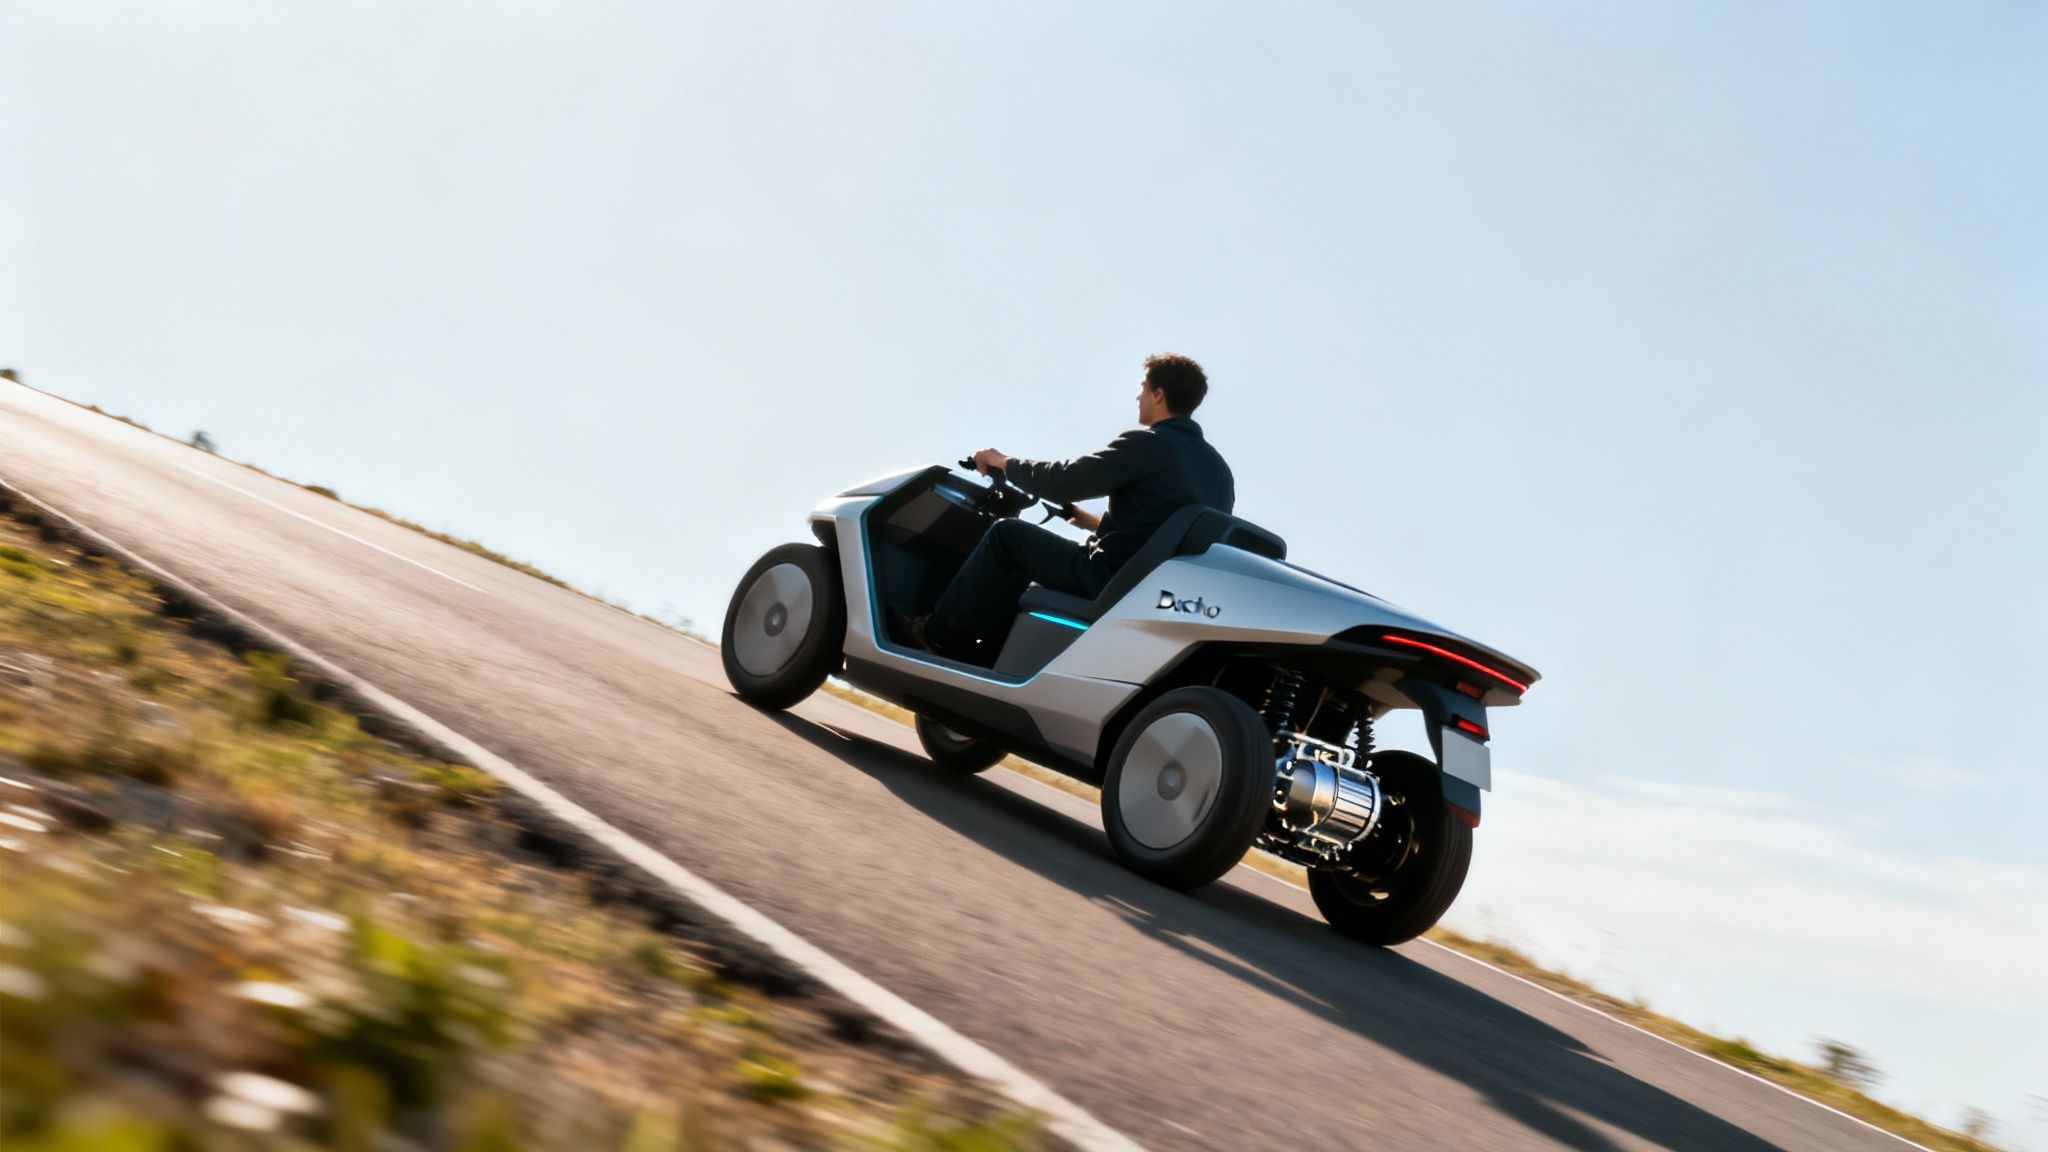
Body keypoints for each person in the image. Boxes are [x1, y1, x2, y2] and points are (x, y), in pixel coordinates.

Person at [892, 353, 1235, 656]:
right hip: (1152, 593)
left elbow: (1066, 480)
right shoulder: (1220, 473)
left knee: (1006, 536)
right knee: (1030, 555)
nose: (1138, 396)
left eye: (1143, 388)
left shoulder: (1150, 444)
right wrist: (1084, 520)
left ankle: (934, 635)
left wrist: (1003, 462)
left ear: (1158, 394)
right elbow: (1157, 532)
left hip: (1105, 577)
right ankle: (982, 653)